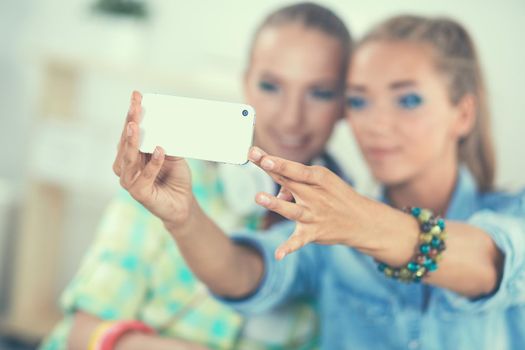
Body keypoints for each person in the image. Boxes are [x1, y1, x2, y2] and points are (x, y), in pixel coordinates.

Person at [112, 15, 525, 350]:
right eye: (359, 101)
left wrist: (363, 224)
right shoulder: (333, 229)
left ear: (463, 114)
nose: (377, 124)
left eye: (408, 99)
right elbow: (244, 273)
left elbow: (490, 263)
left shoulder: (513, 215)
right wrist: (184, 219)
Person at [40, 3, 353, 350]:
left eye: (319, 92)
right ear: (247, 84)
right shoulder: (169, 172)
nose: (292, 117)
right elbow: (80, 335)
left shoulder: (351, 224)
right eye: (271, 86)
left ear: (345, 103)